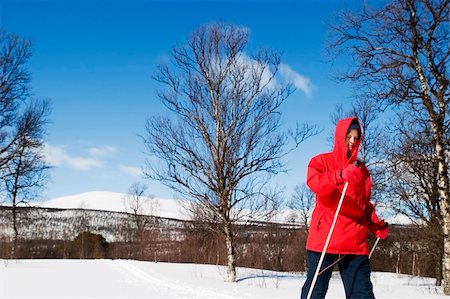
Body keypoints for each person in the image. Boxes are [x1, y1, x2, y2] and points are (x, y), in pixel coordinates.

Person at [300, 117, 389, 299]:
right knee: (314, 292)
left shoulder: (362, 171)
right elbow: (315, 183)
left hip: (354, 241)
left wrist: (375, 225)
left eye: (356, 138)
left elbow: (363, 204)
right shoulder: (321, 162)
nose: (352, 141)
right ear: (340, 136)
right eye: (349, 136)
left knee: (362, 294)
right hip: (326, 237)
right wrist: (339, 175)